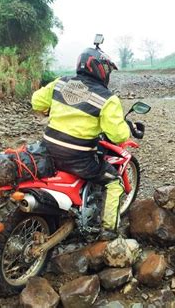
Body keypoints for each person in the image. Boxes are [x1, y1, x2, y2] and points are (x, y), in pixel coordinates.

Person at [30, 47, 130, 240]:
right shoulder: (107, 99)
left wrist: (49, 108)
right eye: (107, 70)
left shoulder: (60, 83)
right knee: (114, 182)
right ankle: (109, 231)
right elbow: (118, 136)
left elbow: (36, 102)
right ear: (100, 69)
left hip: (48, 150)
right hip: (77, 158)